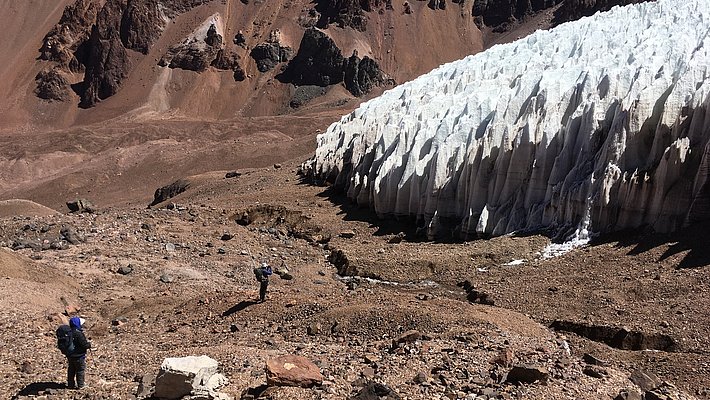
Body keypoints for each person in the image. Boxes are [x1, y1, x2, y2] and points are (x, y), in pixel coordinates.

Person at [66, 317, 92, 389]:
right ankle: (81, 385)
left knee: (71, 369)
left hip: (70, 355)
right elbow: (84, 344)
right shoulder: (79, 334)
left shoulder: (69, 332)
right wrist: (89, 345)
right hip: (79, 356)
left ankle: (70, 384)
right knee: (80, 370)